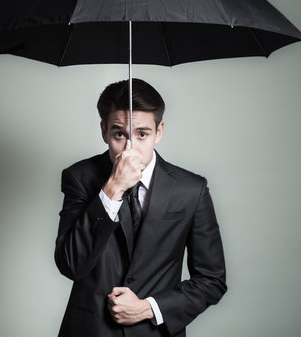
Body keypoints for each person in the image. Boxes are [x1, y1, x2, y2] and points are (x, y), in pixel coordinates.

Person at [55, 79, 227, 337]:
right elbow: (71, 265)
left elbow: (212, 280)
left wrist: (148, 308)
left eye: (142, 134)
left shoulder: (191, 189)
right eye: (119, 134)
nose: (129, 148)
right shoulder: (80, 177)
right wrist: (112, 189)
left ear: (159, 131)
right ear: (104, 131)